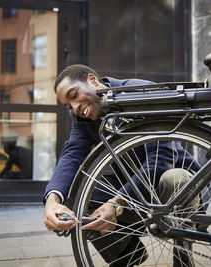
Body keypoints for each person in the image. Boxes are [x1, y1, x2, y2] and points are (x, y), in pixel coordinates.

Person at [43, 64, 201, 266]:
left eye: (74, 95)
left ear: (92, 80)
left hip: (171, 189)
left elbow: (161, 157)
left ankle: (184, 258)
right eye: (68, 106)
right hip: (133, 192)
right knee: (78, 193)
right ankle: (125, 254)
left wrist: (116, 204)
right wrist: (52, 202)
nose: (74, 108)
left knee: (175, 178)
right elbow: (72, 155)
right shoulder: (81, 118)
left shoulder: (140, 92)